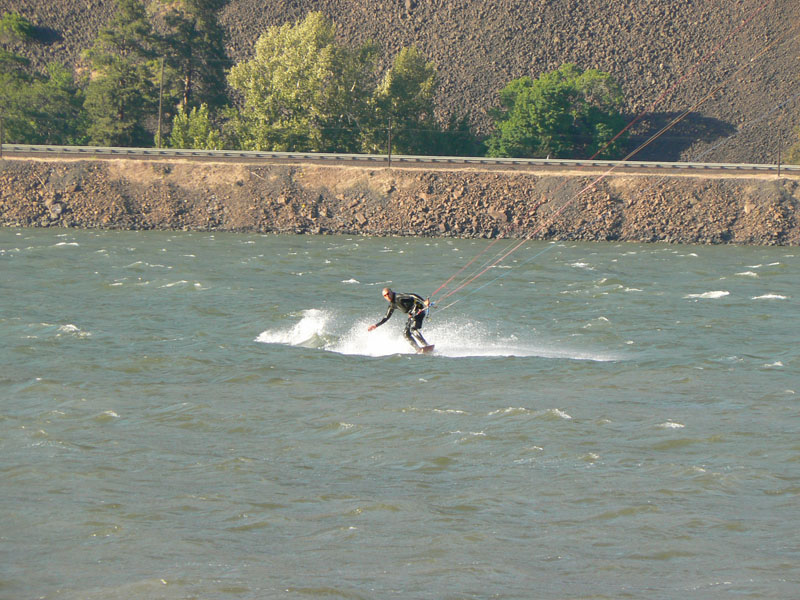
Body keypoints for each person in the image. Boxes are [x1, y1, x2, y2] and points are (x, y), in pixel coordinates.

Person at [368, 287, 431, 352]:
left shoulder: (398, 296)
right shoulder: (392, 305)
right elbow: (386, 317)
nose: (387, 296)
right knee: (405, 334)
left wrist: (424, 301)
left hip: (418, 310)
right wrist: (376, 325)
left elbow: (412, 295)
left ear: (391, 292)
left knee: (413, 329)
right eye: (385, 295)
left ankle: (426, 345)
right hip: (412, 314)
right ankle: (418, 349)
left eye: (388, 294)